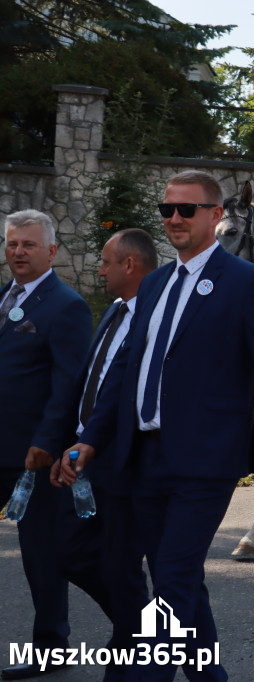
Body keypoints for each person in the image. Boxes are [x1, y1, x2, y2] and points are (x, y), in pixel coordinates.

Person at [61, 170, 254, 681]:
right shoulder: (153, 286)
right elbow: (126, 371)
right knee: (181, 576)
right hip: (142, 457)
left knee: (171, 579)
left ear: (215, 216)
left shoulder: (247, 283)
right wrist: (90, 439)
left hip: (206, 460)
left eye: (186, 210)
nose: (174, 218)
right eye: (167, 209)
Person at [48, 229, 158, 681]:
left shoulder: (154, 317)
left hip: (125, 462)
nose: (99, 268)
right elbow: (88, 383)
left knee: (119, 568)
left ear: (129, 265)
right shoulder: (114, 311)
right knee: (69, 554)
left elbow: (126, 397)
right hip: (88, 456)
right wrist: (67, 443)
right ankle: (148, 632)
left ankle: (135, 651)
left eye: (106, 262)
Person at [0, 209, 92, 680]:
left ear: (51, 251)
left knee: (40, 554)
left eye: (28, 245)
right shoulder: (3, 298)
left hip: (32, 456)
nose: (18, 252)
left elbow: (69, 386)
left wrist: (46, 443)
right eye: (13, 244)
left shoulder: (66, 306)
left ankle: (51, 647)